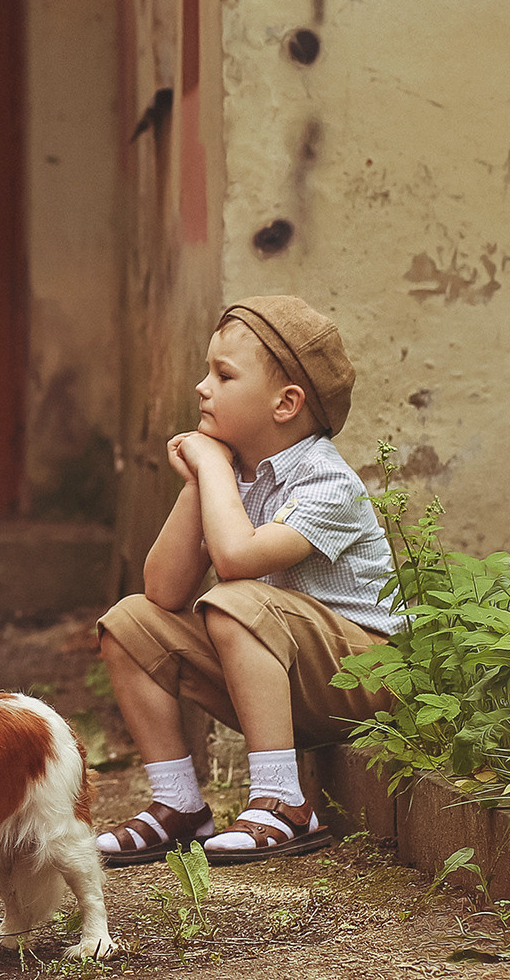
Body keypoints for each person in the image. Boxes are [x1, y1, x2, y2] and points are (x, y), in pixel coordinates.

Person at [95, 296, 399, 866]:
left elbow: (236, 561)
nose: (201, 387)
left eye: (223, 375)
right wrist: (198, 486)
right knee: (129, 622)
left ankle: (285, 802)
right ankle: (179, 805)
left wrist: (210, 467)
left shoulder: (329, 482)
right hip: (282, 678)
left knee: (234, 600)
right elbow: (162, 592)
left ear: (286, 404)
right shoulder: (236, 474)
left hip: (366, 677)